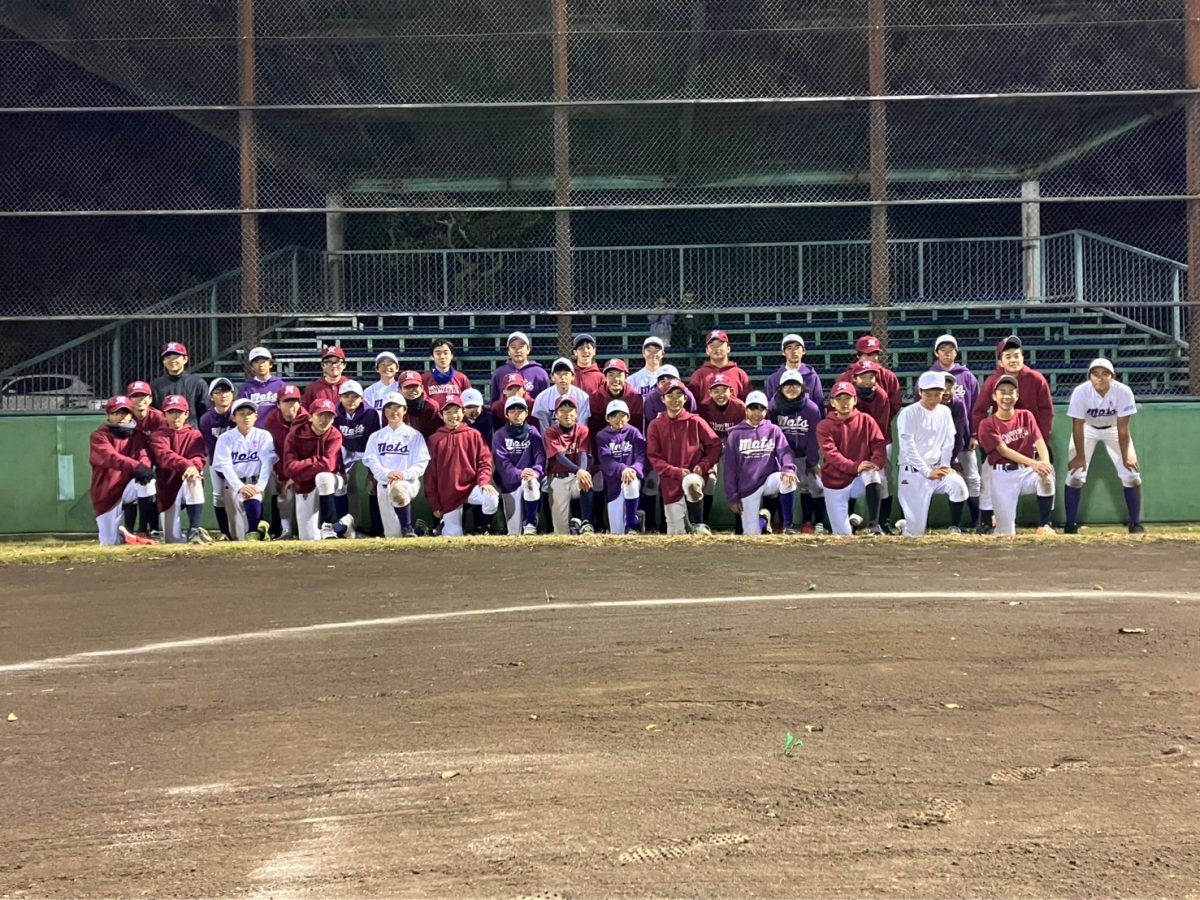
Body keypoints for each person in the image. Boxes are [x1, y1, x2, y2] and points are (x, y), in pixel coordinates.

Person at [971, 335, 1055, 533]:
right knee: (988, 478)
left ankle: (1045, 523)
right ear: (1000, 361)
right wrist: (982, 438)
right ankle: (985, 522)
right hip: (1002, 438)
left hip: (1030, 439)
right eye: (1008, 356)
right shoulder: (993, 381)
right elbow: (979, 411)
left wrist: (1041, 444)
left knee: (1047, 475)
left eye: (1016, 355)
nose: (1013, 360)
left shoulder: (1036, 379)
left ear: (1023, 357)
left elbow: (1046, 411)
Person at [1064, 358, 1144, 534]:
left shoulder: (1123, 392)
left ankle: (1135, 524)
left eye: (1105, 374)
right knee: (1076, 475)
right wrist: (1080, 457)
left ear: (1112, 376)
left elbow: (1123, 428)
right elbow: (1077, 425)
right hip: (1087, 428)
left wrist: (1126, 456)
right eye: (1095, 374)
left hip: (1114, 429)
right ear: (1089, 377)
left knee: (1132, 474)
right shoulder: (1081, 392)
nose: (1099, 378)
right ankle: (1070, 525)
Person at [893, 372, 970, 537]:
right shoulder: (908, 413)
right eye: (928, 394)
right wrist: (927, 471)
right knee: (915, 533)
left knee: (958, 485)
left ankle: (955, 527)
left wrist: (945, 465)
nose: (933, 399)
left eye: (937, 394)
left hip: (937, 468)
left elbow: (949, 441)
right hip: (913, 472)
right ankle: (905, 526)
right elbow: (908, 446)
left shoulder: (945, 411)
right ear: (920, 392)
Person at [646, 379, 722, 535]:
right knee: (676, 534)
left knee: (691, 482)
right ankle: (687, 524)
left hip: (693, 475)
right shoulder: (655, 425)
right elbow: (653, 457)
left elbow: (715, 446)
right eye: (670, 395)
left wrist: (704, 465)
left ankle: (699, 524)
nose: (675, 399)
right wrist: (674, 471)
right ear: (663, 399)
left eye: (679, 395)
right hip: (670, 483)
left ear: (685, 398)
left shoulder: (696, 421)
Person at [816, 381, 888, 536]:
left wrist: (876, 462)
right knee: (843, 535)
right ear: (832, 402)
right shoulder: (824, 426)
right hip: (835, 482)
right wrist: (855, 466)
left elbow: (879, 444)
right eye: (839, 399)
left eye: (847, 398)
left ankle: (874, 525)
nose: (844, 403)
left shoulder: (866, 420)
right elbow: (832, 455)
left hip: (859, 478)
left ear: (855, 400)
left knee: (873, 473)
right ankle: (853, 523)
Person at [425, 394, 500, 537]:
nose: (453, 416)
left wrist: (484, 482)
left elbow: (485, 461)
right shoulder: (435, 439)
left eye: (456, 411)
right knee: (453, 536)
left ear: (463, 412)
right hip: (448, 494)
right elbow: (430, 475)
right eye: (448, 412)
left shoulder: (474, 434)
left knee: (491, 497)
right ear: (441, 415)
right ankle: (443, 526)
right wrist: (435, 503)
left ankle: (484, 528)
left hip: (471, 487)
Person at [725, 391, 798, 535]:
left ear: (766, 411)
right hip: (747, 487)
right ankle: (763, 520)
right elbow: (730, 469)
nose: (757, 413)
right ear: (746, 410)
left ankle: (788, 525)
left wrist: (788, 469)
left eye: (761, 409)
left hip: (768, 479)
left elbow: (785, 452)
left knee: (788, 480)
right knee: (752, 534)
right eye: (753, 408)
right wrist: (733, 498)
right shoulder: (735, 434)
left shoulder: (773, 430)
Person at [89, 395, 155, 546]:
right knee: (109, 543)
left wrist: (144, 466)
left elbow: (143, 454)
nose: (121, 416)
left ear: (131, 414)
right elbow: (111, 457)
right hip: (107, 492)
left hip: (127, 487)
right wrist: (137, 467)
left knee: (148, 484)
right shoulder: (98, 436)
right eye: (116, 413)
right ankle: (123, 536)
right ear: (108, 415)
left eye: (125, 412)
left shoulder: (137, 435)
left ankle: (142, 530)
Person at [363, 393, 431, 538]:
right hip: (383, 484)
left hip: (408, 482)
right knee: (392, 534)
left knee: (398, 489)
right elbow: (370, 460)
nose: (394, 411)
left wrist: (404, 475)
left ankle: (408, 528)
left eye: (397, 407)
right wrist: (387, 474)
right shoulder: (376, 436)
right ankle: (419, 531)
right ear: (384, 411)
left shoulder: (414, 435)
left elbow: (421, 462)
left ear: (404, 410)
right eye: (389, 407)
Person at [929, 335, 981, 524]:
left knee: (972, 478)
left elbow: (976, 406)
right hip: (936, 443)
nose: (947, 353)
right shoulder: (929, 376)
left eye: (951, 349)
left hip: (964, 438)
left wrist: (974, 434)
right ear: (936, 353)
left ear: (956, 352)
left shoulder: (966, 376)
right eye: (942, 349)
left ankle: (977, 521)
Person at [284, 397, 352, 540]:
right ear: (310, 417)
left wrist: (300, 472)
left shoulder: (335, 435)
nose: (324, 420)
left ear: (333, 420)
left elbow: (328, 465)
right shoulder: (295, 435)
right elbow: (289, 468)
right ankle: (343, 526)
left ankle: (327, 525)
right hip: (304, 484)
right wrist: (315, 462)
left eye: (329, 416)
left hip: (334, 479)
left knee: (323, 477)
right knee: (308, 539)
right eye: (320, 415)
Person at [147, 395, 211, 544]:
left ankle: (194, 530)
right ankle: (185, 536)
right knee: (172, 539)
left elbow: (199, 456)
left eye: (179, 412)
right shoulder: (157, 436)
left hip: (186, 481)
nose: (175, 416)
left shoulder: (194, 434)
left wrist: (194, 467)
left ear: (186, 414)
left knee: (194, 478)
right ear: (164, 414)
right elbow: (165, 456)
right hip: (167, 486)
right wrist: (189, 465)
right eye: (171, 412)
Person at [212, 397, 278, 540]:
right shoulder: (225, 438)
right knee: (238, 535)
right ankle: (261, 531)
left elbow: (267, 463)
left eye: (249, 413)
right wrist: (240, 487)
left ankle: (256, 532)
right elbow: (225, 467)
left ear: (256, 417)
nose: (246, 417)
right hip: (233, 486)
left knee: (253, 501)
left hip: (255, 483)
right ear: (234, 417)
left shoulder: (263, 435)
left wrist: (259, 487)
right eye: (241, 414)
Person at [769, 370, 825, 533]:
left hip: (805, 455)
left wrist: (812, 462)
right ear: (780, 388)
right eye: (787, 385)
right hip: (781, 456)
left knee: (816, 486)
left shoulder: (811, 408)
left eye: (795, 385)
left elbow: (813, 438)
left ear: (802, 388)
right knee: (782, 486)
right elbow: (770, 433)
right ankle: (782, 523)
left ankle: (814, 522)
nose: (791, 388)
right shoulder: (773, 407)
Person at [849, 359, 896, 532]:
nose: (868, 380)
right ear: (854, 378)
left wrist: (874, 454)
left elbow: (880, 429)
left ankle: (882, 522)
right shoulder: (847, 395)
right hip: (851, 445)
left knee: (882, 479)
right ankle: (848, 520)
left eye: (871, 376)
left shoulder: (881, 396)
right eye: (863, 377)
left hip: (877, 443)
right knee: (847, 480)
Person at [491, 395, 547, 536]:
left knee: (530, 483)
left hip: (529, 477)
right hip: (509, 483)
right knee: (514, 531)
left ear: (526, 413)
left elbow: (540, 455)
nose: (517, 414)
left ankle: (530, 523)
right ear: (506, 414)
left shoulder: (533, 432)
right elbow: (502, 463)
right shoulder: (499, 435)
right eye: (512, 411)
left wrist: (536, 471)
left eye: (520, 410)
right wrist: (519, 473)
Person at [260, 384, 306, 540]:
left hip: (304, 468)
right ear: (278, 404)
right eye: (286, 401)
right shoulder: (271, 421)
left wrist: (294, 476)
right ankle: (281, 528)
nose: (290, 405)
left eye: (294, 401)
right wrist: (281, 475)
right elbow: (272, 451)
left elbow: (309, 453)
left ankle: (307, 528)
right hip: (280, 466)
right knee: (277, 488)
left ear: (300, 403)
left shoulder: (308, 420)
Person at [543, 396, 594, 535]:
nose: (567, 414)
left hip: (576, 477)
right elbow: (559, 456)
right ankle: (572, 526)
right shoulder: (551, 432)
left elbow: (583, 453)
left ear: (576, 413)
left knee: (586, 480)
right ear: (556, 414)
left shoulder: (582, 430)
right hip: (558, 478)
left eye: (570, 410)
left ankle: (586, 522)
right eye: (562, 410)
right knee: (561, 531)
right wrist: (579, 471)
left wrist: (582, 472)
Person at [595, 399, 648, 535]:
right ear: (607, 418)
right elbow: (606, 460)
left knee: (630, 482)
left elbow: (641, 457)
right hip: (613, 482)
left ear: (628, 417)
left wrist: (633, 469)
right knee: (617, 532)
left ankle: (632, 523)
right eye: (614, 415)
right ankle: (636, 517)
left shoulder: (634, 432)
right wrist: (623, 468)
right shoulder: (602, 435)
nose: (618, 419)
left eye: (622, 415)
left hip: (632, 476)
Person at [336, 379, 381, 534]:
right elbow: (335, 444)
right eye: (346, 396)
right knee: (340, 485)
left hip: (365, 448)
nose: (351, 399)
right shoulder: (335, 413)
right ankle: (344, 527)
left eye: (355, 396)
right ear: (340, 397)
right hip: (345, 449)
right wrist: (341, 470)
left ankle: (377, 527)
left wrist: (371, 472)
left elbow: (373, 441)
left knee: (374, 485)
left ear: (362, 398)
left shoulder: (370, 413)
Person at [125, 380, 164, 538]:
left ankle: (149, 529)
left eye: (143, 396)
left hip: (157, 460)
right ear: (129, 399)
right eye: (135, 396)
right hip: (132, 461)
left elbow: (162, 446)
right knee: (131, 488)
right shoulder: (125, 417)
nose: (139, 400)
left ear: (150, 399)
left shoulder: (159, 418)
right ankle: (129, 530)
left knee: (148, 483)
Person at [199, 377, 236, 540]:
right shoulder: (207, 419)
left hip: (239, 461)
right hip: (217, 462)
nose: (223, 395)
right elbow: (211, 448)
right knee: (219, 496)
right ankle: (224, 532)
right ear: (212, 397)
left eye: (227, 391)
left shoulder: (239, 413)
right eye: (218, 392)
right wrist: (219, 468)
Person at [841, 335, 903, 426]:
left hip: (881, 429)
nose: (871, 358)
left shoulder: (889, 377)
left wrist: (881, 421)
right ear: (858, 355)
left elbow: (895, 405)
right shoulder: (846, 378)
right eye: (868, 355)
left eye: (875, 354)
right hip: (852, 429)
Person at [150, 342, 209, 424]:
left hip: (191, 430)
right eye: (168, 357)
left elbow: (205, 412)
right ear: (164, 361)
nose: (172, 360)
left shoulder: (198, 383)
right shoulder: (155, 385)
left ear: (185, 359)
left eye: (176, 356)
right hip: (164, 430)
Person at [765, 333, 824, 411]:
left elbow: (819, 405)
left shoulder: (812, 377)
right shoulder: (774, 379)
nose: (794, 351)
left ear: (803, 351)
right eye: (789, 348)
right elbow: (769, 408)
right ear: (783, 352)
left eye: (797, 347)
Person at [689, 329, 752, 400]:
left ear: (728, 348)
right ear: (707, 351)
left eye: (720, 344)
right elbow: (692, 403)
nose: (716, 348)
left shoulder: (740, 374)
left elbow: (748, 403)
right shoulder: (698, 375)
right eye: (712, 345)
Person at [531, 358, 591, 433]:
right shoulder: (542, 398)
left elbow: (581, 427)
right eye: (558, 374)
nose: (562, 377)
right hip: (552, 437)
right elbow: (545, 429)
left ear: (573, 376)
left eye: (566, 374)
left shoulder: (583, 397)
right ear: (552, 377)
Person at [588, 358, 644, 436]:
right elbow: (595, 429)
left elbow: (637, 427)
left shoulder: (635, 398)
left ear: (626, 377)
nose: (615, 379)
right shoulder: (596, 398)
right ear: (605, 377)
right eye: (611, 375)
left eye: (619, 375)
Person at [489, 330, 550, 402]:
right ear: (508, 351)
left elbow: (546, 401)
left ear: (528, 350)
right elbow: (495, 402)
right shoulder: (499, 373)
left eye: (521, 347)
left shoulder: (540, 373)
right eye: (513, 347)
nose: (517, 350)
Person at [238, 346, 287, 416]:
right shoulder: (246, 388)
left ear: (270, 364)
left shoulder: (281, 385)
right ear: (251, 366)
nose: (261, 365)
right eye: (256, 362)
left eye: (263, 362)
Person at [302, 346, 350, 410]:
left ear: (344, 365)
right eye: (329, 362)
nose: (334, 366)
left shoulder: (352, 386)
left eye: (337, 361)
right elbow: (305, 411)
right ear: (322, 365)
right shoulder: (312, 388)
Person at [398, 370, 443, 438]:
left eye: (415, 386)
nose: (411, 390)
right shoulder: (395, 407)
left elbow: (437, 433)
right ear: (400, 390)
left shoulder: (431, 406)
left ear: (422, 388)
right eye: (407, 387)